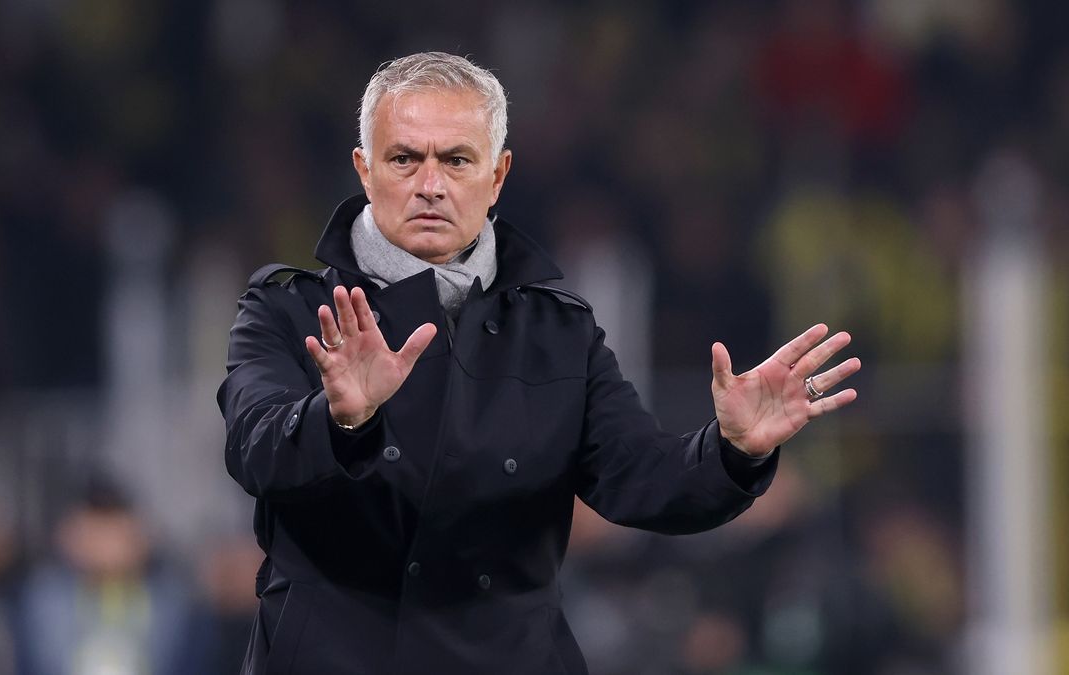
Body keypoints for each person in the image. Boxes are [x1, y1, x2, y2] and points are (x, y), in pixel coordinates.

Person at [217, 51, 860, 675]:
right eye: (405, 159)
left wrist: (732, 449)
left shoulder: (557, 331)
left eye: (457, 160)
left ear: (498, 176)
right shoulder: (288, 310)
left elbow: (643, 482)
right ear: (365, 170)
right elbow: (255, 449)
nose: (430, 185)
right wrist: (339, 422)